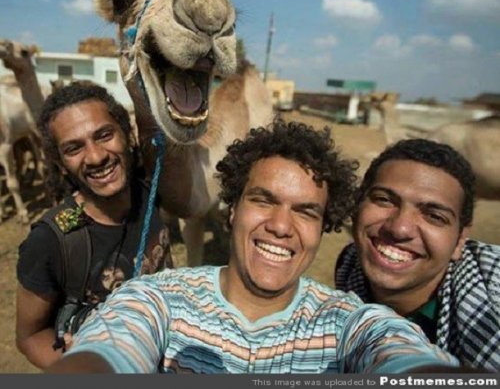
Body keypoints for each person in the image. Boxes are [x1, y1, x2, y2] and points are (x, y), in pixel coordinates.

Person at [46, 121, 461, 374]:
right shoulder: (158, 298)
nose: (280, 226)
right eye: (263, 200)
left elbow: (395, 351)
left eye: (306, 212)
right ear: (232, 211)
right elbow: (115, 345)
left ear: (323, 228)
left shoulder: (348, 321)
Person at [16, 81, 173, 369]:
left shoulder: (150, 193)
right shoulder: (52, 240)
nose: (96, 156)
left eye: (104, 135)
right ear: (60, 163)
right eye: (74, 148)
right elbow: (30, 337)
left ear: (127, 135)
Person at [335, 138, 500, 371]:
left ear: (460, 240)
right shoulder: (349, 269)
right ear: (357, 207)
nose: (399, 228)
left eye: (434, 216)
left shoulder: (492, 298)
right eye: (384, 200)